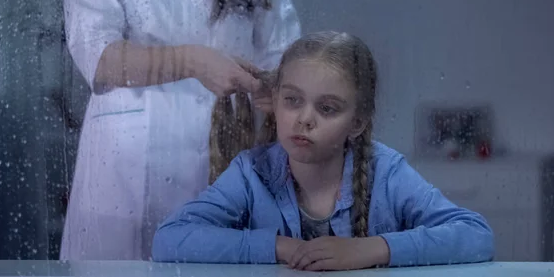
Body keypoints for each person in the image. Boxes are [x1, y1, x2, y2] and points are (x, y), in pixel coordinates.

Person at [151, 31, 495, 270]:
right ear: (276, 102)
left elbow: (475, 235)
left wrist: (371, 250)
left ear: (357, 123)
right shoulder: (251, 172)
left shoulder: (385, 171)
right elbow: (169, 240)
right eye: (292, 100)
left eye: (327, 108)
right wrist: (282, 247)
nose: (304, 119)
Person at [60, 0, 300, 260]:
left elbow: (282, 48)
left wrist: (279, 87)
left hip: (232, 151)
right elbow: (100, 57)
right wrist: (190, 62)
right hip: (131, 167)